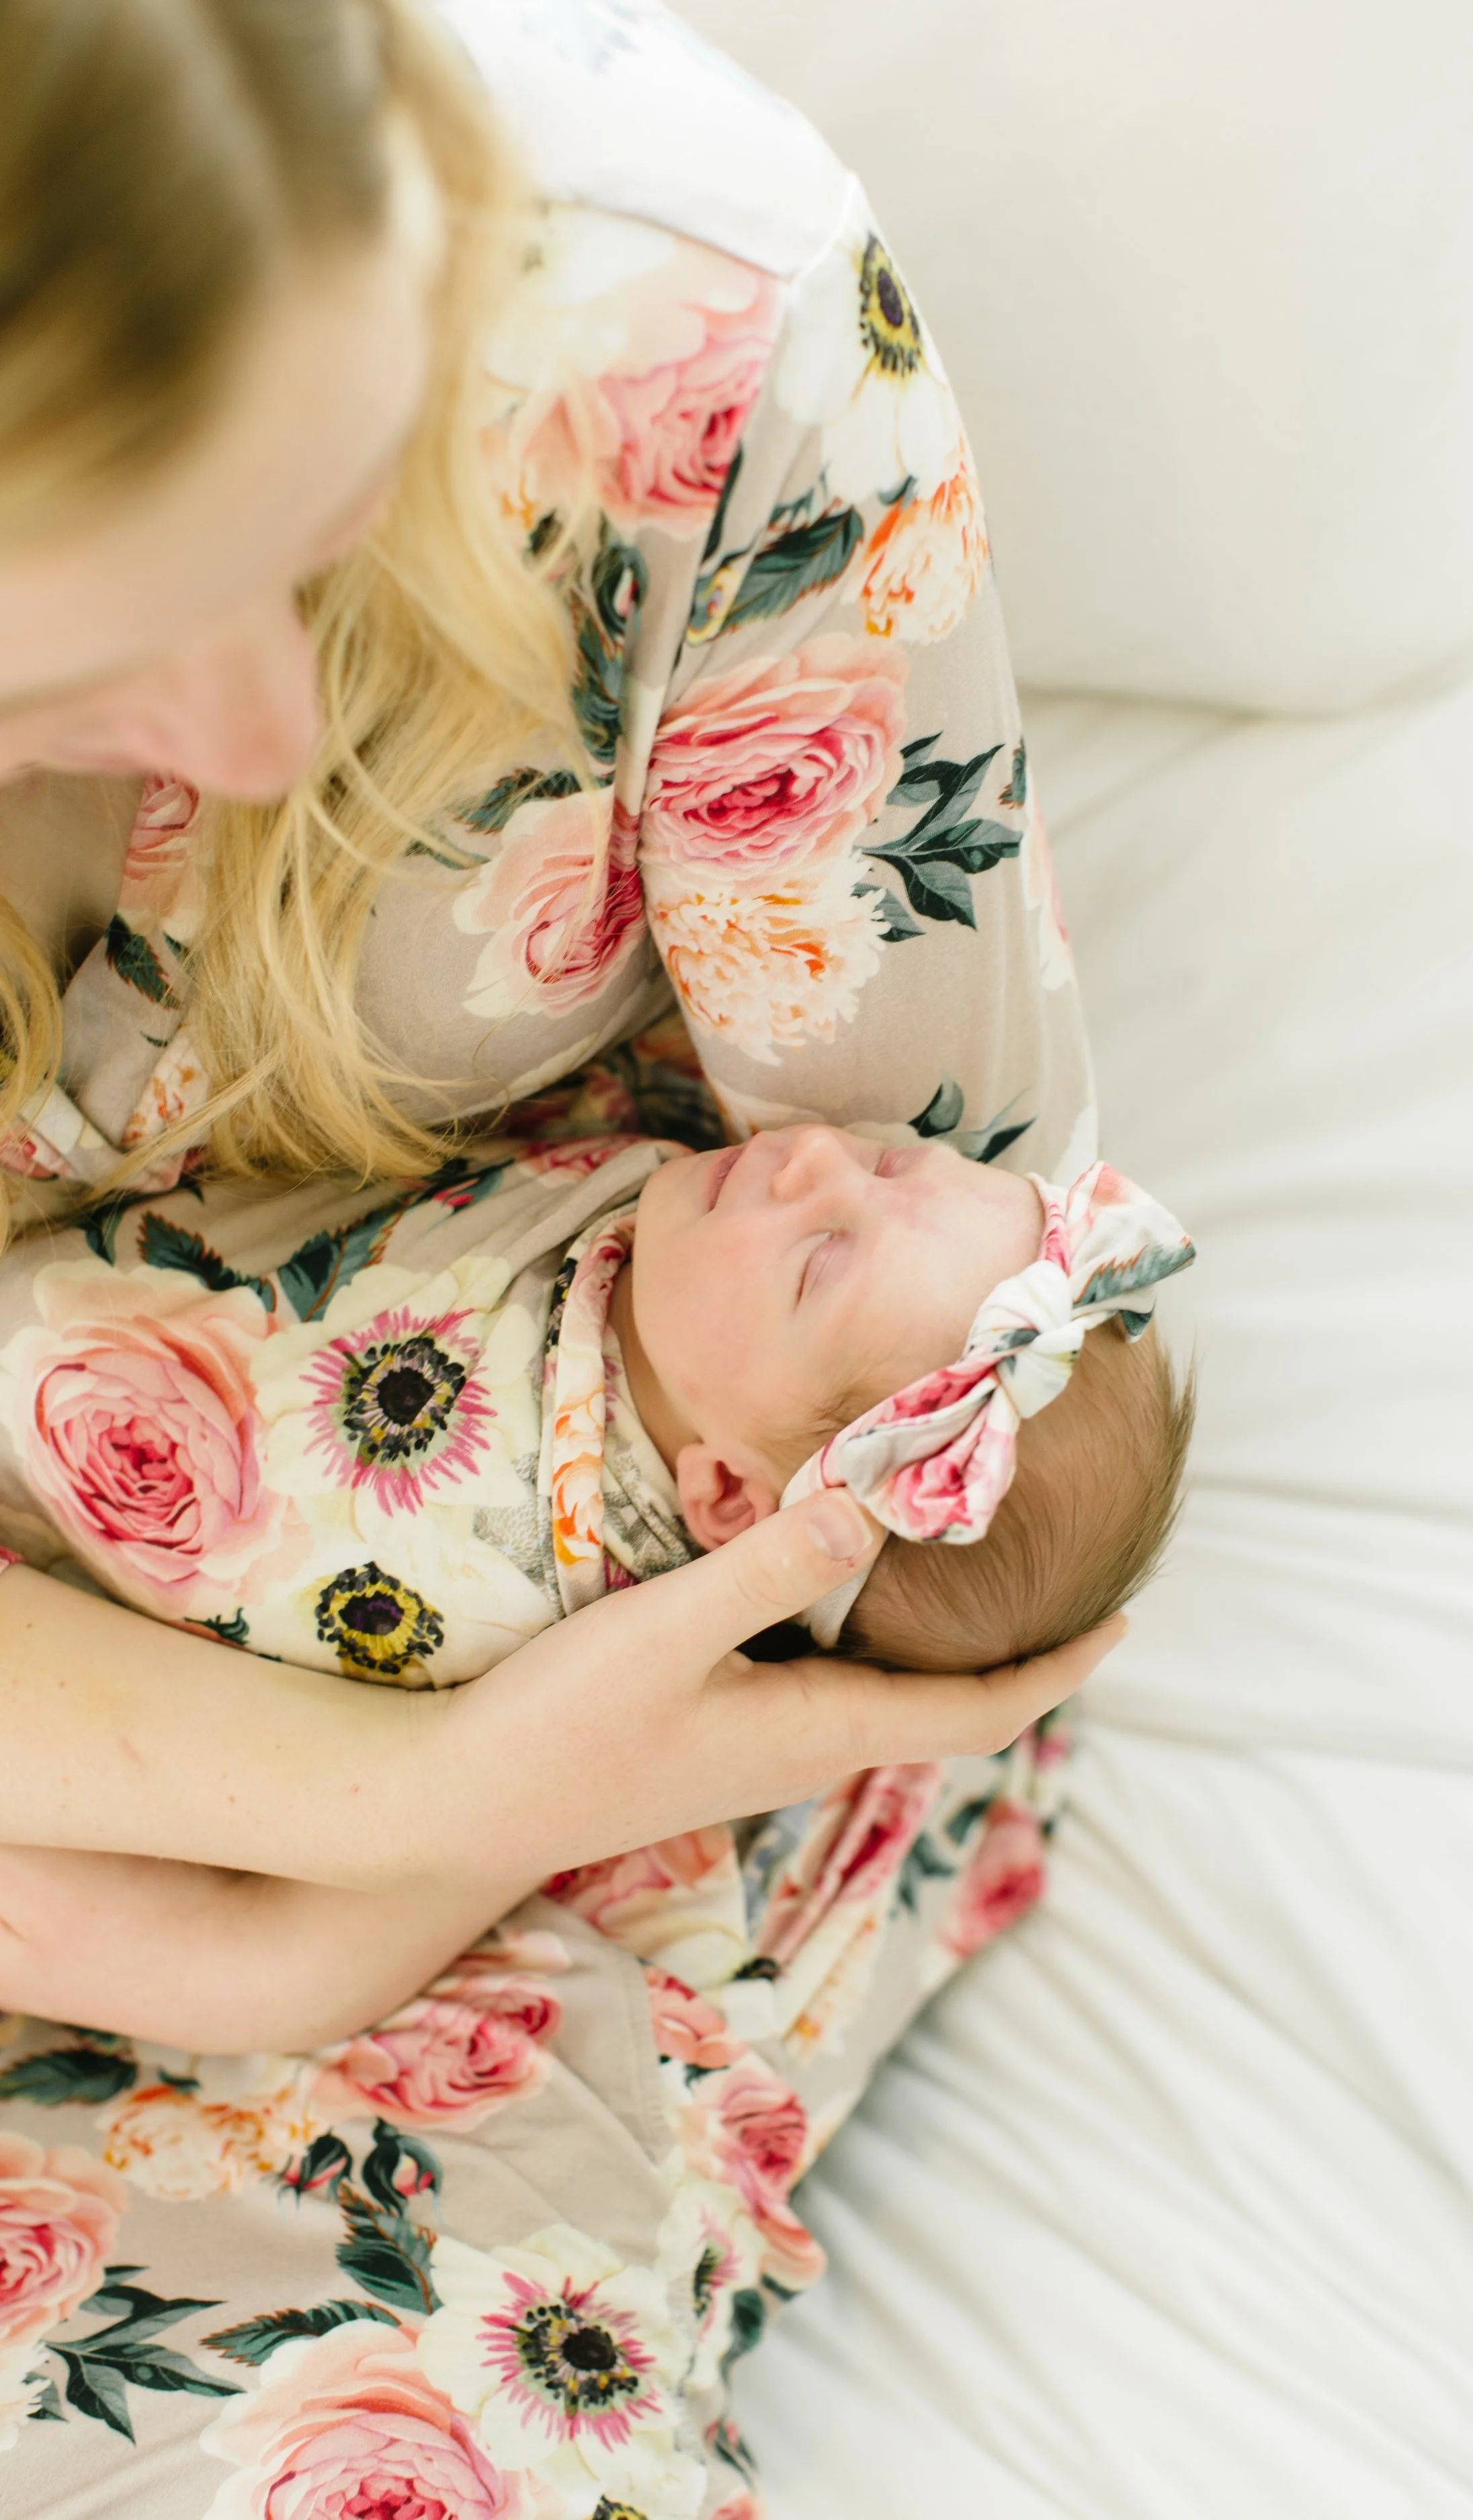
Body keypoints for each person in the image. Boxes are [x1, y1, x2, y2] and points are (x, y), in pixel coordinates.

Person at [0, 2, 1137, 2510]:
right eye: (87, 651)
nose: (280, 738)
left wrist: (437, 1836)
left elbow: (965, 1347)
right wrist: (332, 1858)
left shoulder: (692, 340)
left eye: (312, 524)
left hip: (607, 1693)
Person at [0, 1116, 1196, 2047]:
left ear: (728, 1497)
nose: (816, 1155)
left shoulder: (555, 1611)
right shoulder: (675, 1284)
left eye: (820, 1259)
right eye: (891, 1163)